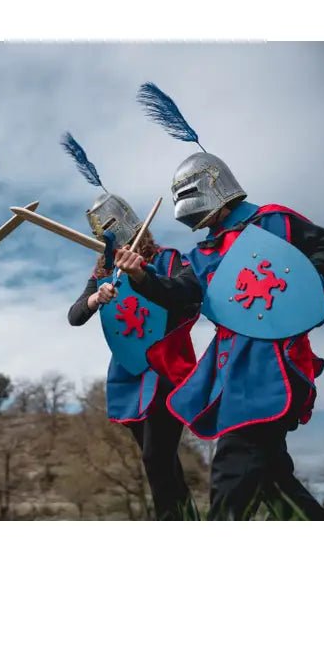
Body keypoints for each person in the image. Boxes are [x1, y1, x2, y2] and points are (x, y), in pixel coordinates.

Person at [116, 83, 324, 520]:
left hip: (273, 366)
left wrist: (299, 285)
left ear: (213, 186)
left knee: (232, 469)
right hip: (230, 371)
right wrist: (138, 275)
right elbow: (181, 296)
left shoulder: (274, 223)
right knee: (272, 479)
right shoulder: (203, 255)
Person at [62, 133, 199, 520]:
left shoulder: (170, 259)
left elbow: (185, 297)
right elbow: (75, 316)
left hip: (168, 370)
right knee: (158, 462)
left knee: (158, 456)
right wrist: (96, 297)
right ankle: (183, 520)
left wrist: (142, 275)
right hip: (129, 372)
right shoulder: (104, 273)